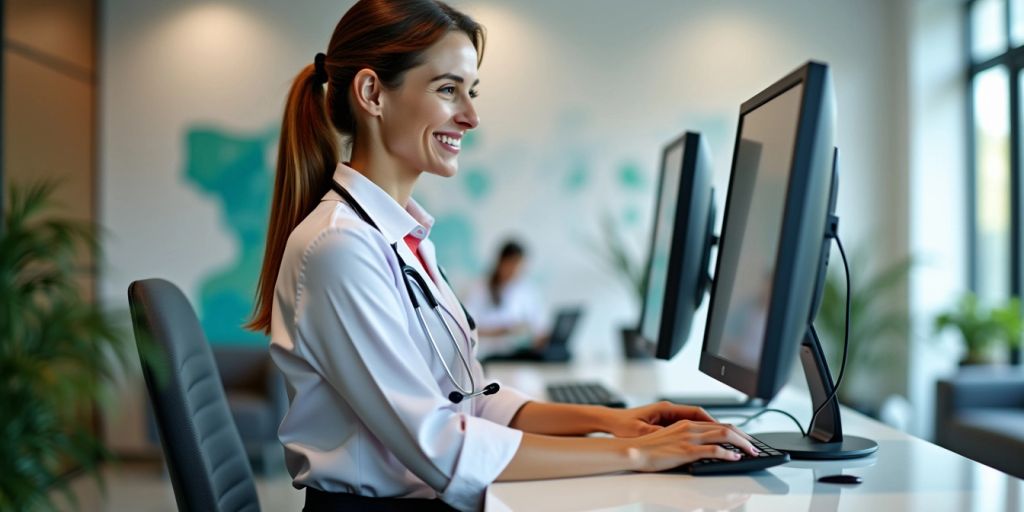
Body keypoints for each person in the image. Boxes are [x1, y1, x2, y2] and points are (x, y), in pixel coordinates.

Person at [247, 1, 758, 510]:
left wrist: (615, 421)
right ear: (371, 93)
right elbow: (440, 446)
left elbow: (472, 399)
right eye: (448, 90)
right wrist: (638, 453)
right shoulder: (340, 247)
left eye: (470, 92)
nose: (470, 116)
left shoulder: (400, 239)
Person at [463, 240, 549, 360]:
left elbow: (539, 327)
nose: (515, 270)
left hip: (517, 355)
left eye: (519, 265)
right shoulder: (480, 288)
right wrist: (503, 331)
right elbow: (468, 328)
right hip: (487, 356)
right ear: (501, 262)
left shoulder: (526, 290)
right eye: (512, 264)